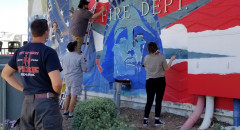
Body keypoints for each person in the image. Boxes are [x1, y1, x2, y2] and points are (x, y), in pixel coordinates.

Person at [1, 19, 63, 129]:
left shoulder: (20, 51)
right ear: (46, 32)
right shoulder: (49, 52)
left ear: (32, 32)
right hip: (46, 105)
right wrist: (56, 95)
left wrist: (23, 89)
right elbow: (57, 84)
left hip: (27, 104)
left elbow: (5, 74)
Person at [142, 42, 176, 126]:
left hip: (149, 81)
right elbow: (167, 69)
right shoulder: (161, 58)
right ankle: (157, 120)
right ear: (156, 48)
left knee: (149, 101)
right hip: (160, 81)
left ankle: (145, 120)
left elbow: (145, 68)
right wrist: (171, 60)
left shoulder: (146, 58)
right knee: (158, 101)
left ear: (148, 49)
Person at [62, 41, 87, 119]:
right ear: (75, 47)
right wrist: (85, 63)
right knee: (73, 96)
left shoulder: (64, 57)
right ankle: (71, 113)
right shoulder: (80, 57)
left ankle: (65, 111)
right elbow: (84, 69)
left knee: (67, 95)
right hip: (75, 79)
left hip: (67, 79)